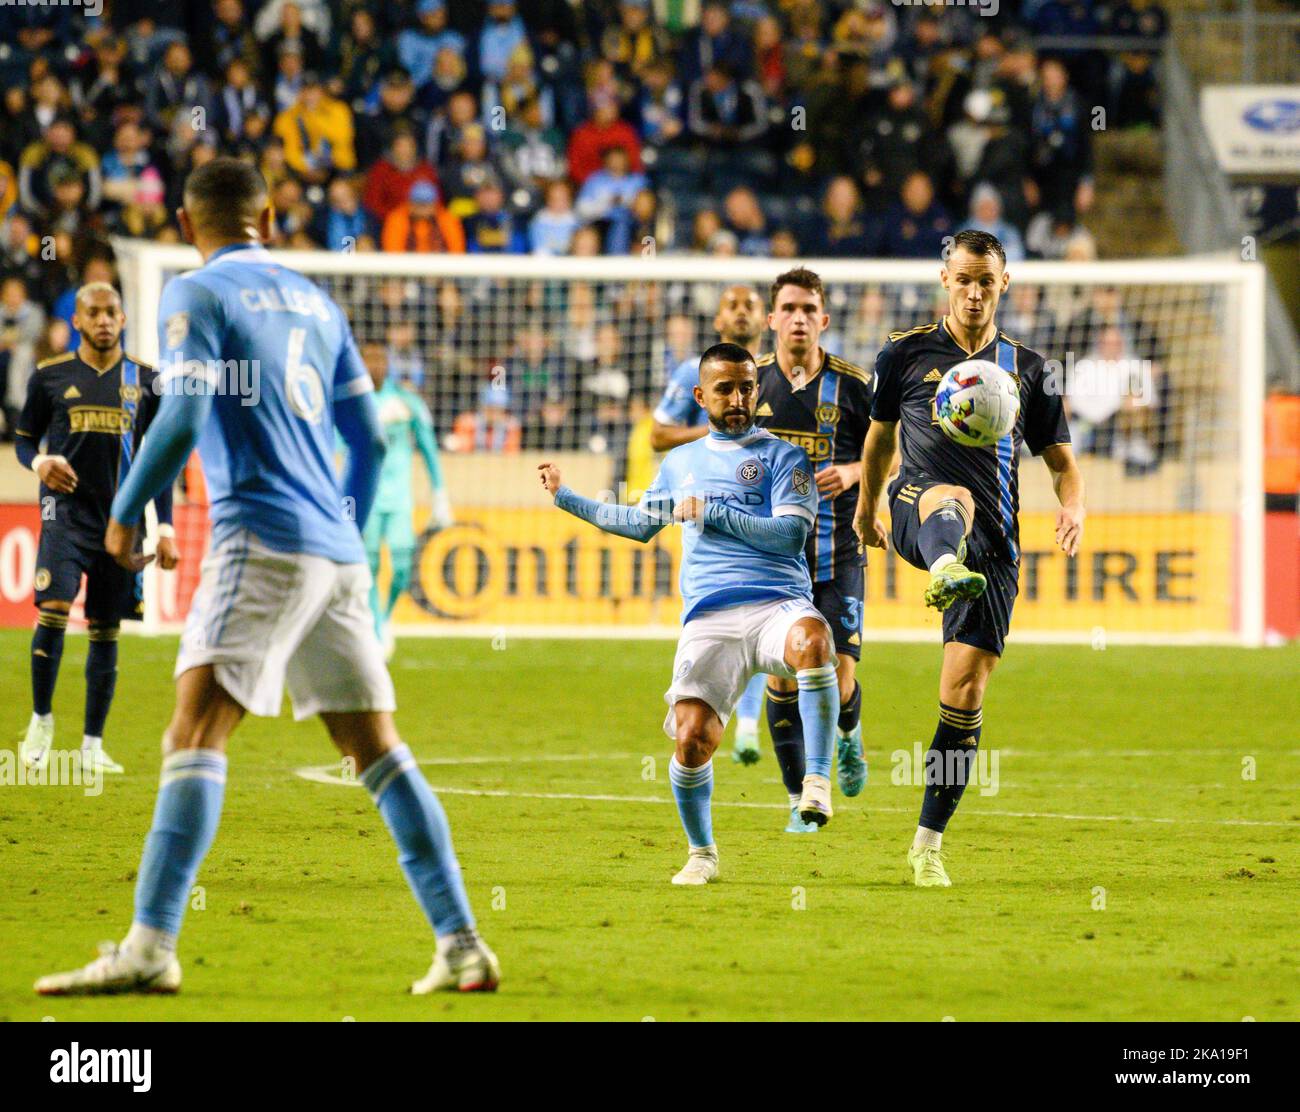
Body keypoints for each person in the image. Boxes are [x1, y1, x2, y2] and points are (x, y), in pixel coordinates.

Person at [34, 157, 498, 997]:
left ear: (185, 224)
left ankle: (149, 946)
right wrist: (341, 533)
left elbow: (182, 412)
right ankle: (461, 941)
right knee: (375, 748)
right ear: (270, 223)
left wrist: (124, 509)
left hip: (262, 538)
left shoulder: (194, 293)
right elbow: (372, 441)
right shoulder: (318, 304)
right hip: (335, 551)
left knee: (192, 735)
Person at [539, 342, 839, 885]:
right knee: (691, 738)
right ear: (701, 396)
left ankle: (815, 782)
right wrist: (568, 498)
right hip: (709, 616)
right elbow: (638, 524)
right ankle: (702, 854)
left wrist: (716, 512)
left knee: (815, 641)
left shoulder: (784, 457)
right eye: (725, 388)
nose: (738, 397)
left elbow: (791, 533)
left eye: (747, 386)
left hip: (777, 604)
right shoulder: (680, 463)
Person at [855, 229, 1085, 888]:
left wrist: (1074, 508)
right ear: (945, 280)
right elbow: (878, 443)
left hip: (995, 547)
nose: (975, 292)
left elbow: (1062, 466)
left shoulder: (1030, 368)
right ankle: (944, 565)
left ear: (1004, 284)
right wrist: (866, 504)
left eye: (987, 281)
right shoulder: (902, 354)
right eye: (964, 279)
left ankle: (927, 845)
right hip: (913, 506)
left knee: (963, 694)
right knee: (949, 495)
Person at [15, 282, 179, 775]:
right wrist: (40, 461)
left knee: (106, 629)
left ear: (123, 320)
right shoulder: (50, 377)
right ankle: (41, 720)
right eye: (94, 313)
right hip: (63, 516)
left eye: (112, 312)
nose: (104, 320)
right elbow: (24, 440)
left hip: (121, 523)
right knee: (56, 607)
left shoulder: (147, 381)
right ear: (78, 321)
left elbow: (160, 460)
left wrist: (165, 525)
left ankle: (91, 745)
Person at [753, 268, 873, 830]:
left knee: (839, 678)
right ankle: (801, 795)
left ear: (823, 321)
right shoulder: (749, 385)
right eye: (789, 308)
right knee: (781, 677)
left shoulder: (853, 386)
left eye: (809, 309)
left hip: (839, 554)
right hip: (775, 562)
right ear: (772, 319)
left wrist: (852, 472)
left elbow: (891, 451)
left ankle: (849, 733)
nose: (799, 318)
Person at [649, 284, 769, 765]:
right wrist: (722, 426)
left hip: (769, 512)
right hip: (709, 513)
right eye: (732, 305)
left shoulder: (783, 373)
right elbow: (658, 432)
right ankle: (701, 706)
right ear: (718, 320)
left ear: (765, 319)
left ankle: (748, 725)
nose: (741, 313)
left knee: (766, 608)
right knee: (717, 612)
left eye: (750, 305)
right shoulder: (692, 373)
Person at [355, 341, 453, 654]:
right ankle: (374, 625)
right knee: (368, 563)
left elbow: (428, 447)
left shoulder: (407, 402)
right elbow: (334, 444)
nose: (375, 367)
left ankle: (384, 617)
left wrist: (439, 493)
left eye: (380, 360)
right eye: (368, 360)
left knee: (401, 566)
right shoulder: (353, 402)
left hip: (399, 500)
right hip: (366, 497)